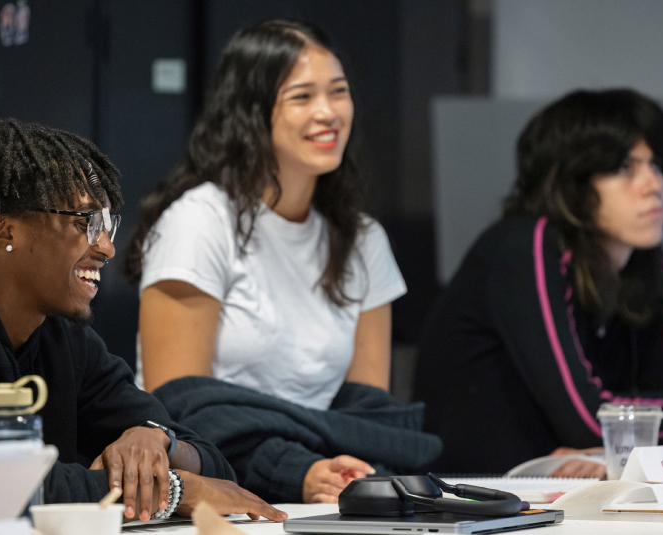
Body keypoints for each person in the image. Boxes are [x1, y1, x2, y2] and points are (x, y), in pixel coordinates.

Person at [0, 118, 286, 523]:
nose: (107, 247)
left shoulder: (62, 338)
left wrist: (156, 442)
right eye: (86, 222)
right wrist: (172, 489)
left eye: (108, 223)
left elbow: (215, 466)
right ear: (2, 229)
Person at [125, 19, 439, 504]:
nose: (328, 112)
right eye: (302, 97)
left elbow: (369, 419)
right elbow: (179, 409)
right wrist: (297, 467)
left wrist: (336, 466)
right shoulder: (198, 221)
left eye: (338, 92)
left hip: (328, 487)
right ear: (250, 112)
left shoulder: (362, 239)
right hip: (217, 492)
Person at [414, 89, 663, 475]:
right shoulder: (528, 245)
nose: (653, 185)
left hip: (565, 492)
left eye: (655, 164)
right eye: (625, 168)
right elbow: (590, 421)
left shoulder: (646, 256)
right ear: (570, 181)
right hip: (473, 498)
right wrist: (616, 441)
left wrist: (609, 449)